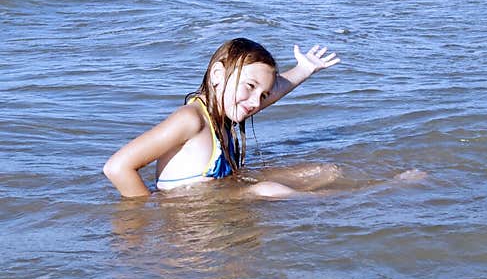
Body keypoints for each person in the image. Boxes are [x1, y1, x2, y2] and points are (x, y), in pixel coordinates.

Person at [103, 37, 339, 198]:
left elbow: (270, 92)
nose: (256, 102)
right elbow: (117, 167)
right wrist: (147, 212)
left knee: (326, 171)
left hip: (221, 194)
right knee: (268, 190)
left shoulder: (225, 113)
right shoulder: (191, 119)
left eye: (263, 94)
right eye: (250, 86)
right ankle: (338, 210)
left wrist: (304, 69)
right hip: (191, 218)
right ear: (218, 74)